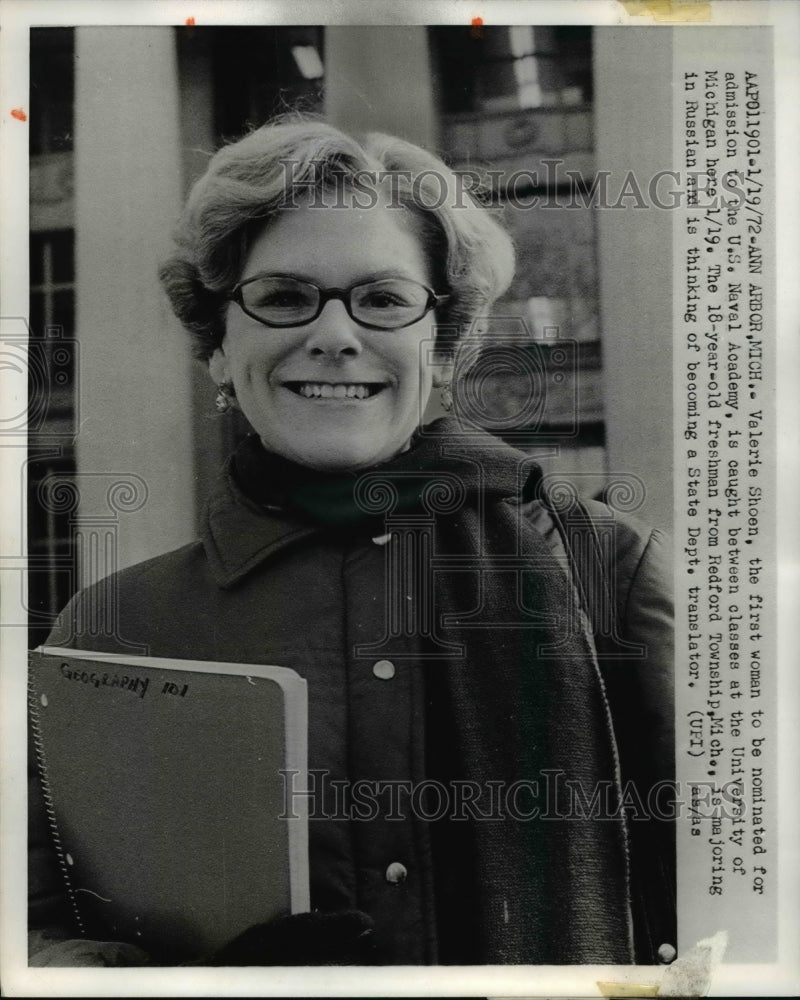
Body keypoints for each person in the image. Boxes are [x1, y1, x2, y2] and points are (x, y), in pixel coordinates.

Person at [28, 117, 674, 967]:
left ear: (441, 347)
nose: (335, 335)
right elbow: (35, 928)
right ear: (219, 348)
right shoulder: (112, 624)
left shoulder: (609, 571)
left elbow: (734, 906)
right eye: (286, 297)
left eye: (382, 299)